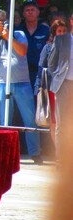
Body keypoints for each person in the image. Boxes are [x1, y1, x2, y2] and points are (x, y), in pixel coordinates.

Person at [0, 10, 42, 164]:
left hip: (22, 82)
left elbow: (22, 51)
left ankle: (35, 152)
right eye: (0, 23)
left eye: (6, 23)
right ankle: (5, 153)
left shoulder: (19, 34)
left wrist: (9, 36)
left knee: (29, 119)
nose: (4, 26)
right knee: (5, 120)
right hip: (2, 82)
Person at [36, 19, 68, 152]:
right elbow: (41, 69)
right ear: (54, 33)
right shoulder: (48, 47)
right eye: (59, 31)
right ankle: (58, 153)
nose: (62, 34)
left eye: (64, 31)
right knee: (54, 122)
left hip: (69, 88)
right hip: (54, 88)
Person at [47, 18, 73, 158]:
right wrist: (59, 79)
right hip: (64, 85)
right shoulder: (61, 40)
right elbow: (51, 64)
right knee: (61, 125)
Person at [17, 0, 50, 89]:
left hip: (40, 73)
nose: (30, 12)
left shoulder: (46, 30)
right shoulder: (17, 31)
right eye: (27, 10)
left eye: (32, 10)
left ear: (38, 12)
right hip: (21, 74)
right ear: (23, 14)